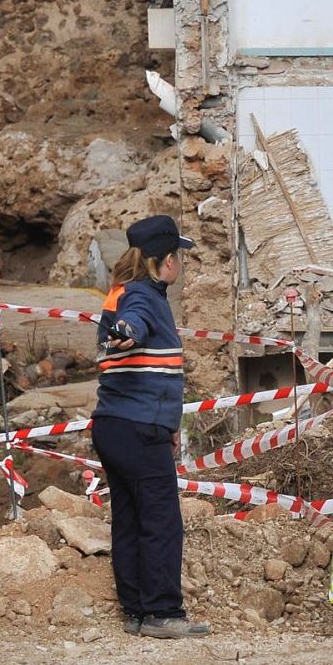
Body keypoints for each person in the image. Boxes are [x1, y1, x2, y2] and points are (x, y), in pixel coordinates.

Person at [91, 215, 210, 640]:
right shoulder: (142, 298)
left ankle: (136, 611)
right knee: (160, 520)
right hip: (138, 428)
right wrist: (129, 331)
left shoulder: (119, 293)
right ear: (166, 261)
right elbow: (135, 322)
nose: (180, 265)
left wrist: (171, 424)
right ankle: (162, 612)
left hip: (114, 424)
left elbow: (143, 356)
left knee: (128, 518)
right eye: (179, 257)